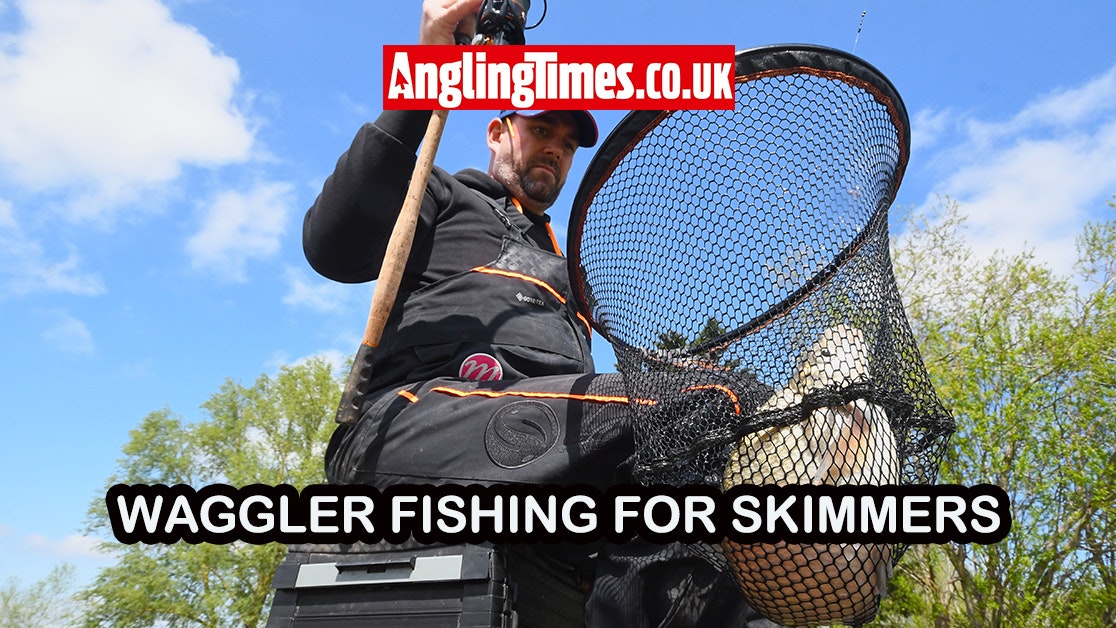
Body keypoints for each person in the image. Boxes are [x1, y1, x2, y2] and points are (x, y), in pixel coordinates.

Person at [303, 1, 775, 625]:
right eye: (540, 129)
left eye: (566, 141)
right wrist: (431, 65)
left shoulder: (568, 266)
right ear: (498, 129)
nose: (554, 148)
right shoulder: (442, 196)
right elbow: (332, 244)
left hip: (534, 460)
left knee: (690, 490)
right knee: (715, 398)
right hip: (414, 424)